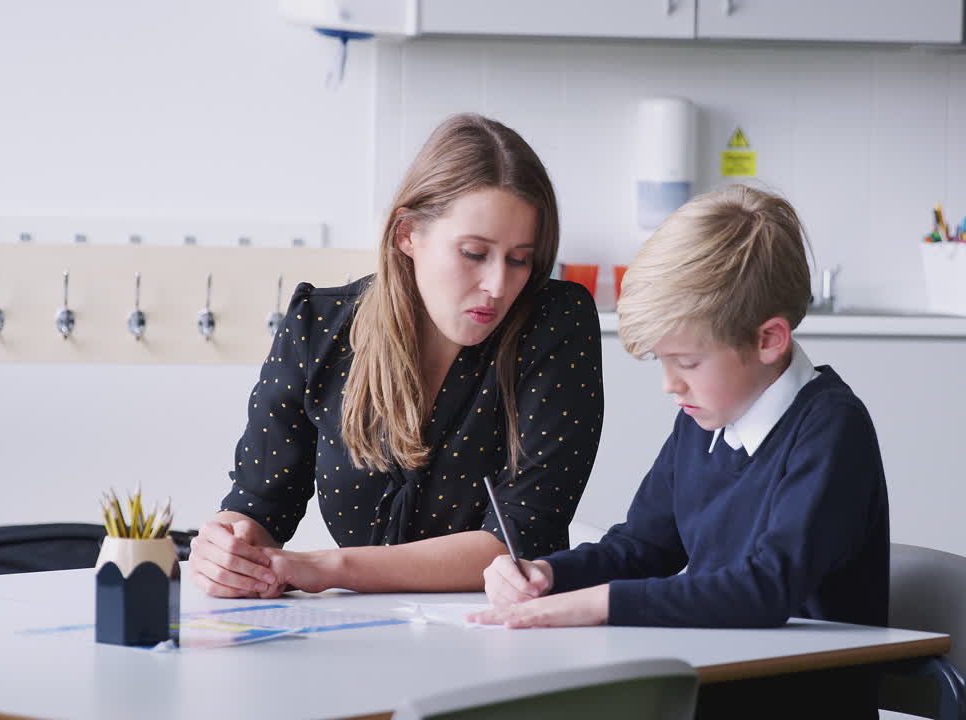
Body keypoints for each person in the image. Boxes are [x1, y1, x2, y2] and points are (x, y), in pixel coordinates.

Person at [471, 184, 889, 717]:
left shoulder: (831, 427)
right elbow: (643, 547)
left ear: (769, 340)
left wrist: (600, 605)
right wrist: (550, 575)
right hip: (717, 680)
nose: (671, 385)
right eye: (661, 363)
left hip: (797, 698)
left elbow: (764, 589)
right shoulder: (704, 419)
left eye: (687, 363)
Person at [189, 114, 604, 599]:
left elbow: (519, 539)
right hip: (362, 639)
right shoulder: (317, 328)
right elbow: (259, 508)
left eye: (519, 259)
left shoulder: (555, 324)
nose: (497, 286)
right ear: (407, 234)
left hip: (503, 633)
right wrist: (225, 549)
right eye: (473, 253)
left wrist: (327, 567)